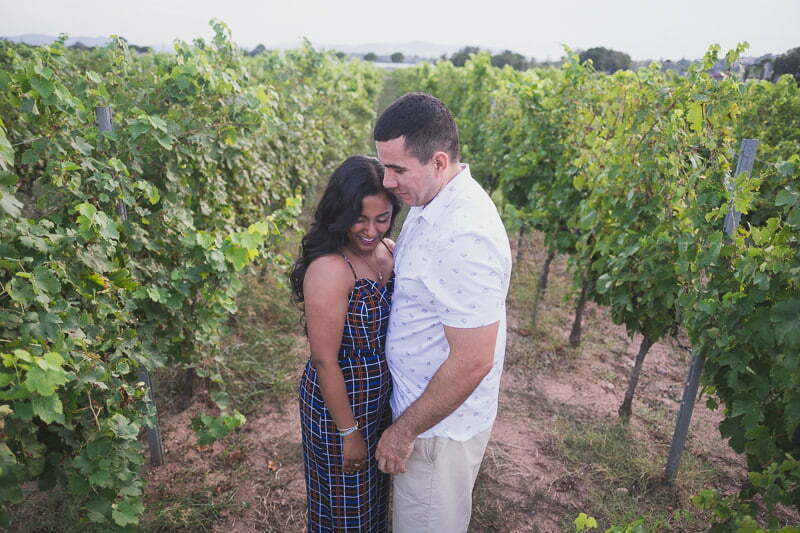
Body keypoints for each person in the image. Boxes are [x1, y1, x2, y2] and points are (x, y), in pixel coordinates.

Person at [373, 92, 512, 532]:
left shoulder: (464, 235)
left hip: (436, 432)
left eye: (397, 169)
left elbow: (472, 361)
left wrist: (404, 431)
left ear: (437, 162)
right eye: (383, 166)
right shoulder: (432, 200)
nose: (387, 182)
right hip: (426, 419)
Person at [290, 155, 402, 532]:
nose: (371, 230)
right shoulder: (330, 269)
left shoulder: (389, 250)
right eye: (360, 218)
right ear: (341, 212)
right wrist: (348, 433)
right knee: (344, 514)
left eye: (381, 218)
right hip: (340, 407)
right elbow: (325, 362)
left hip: (380, 403)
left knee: (374, 505)